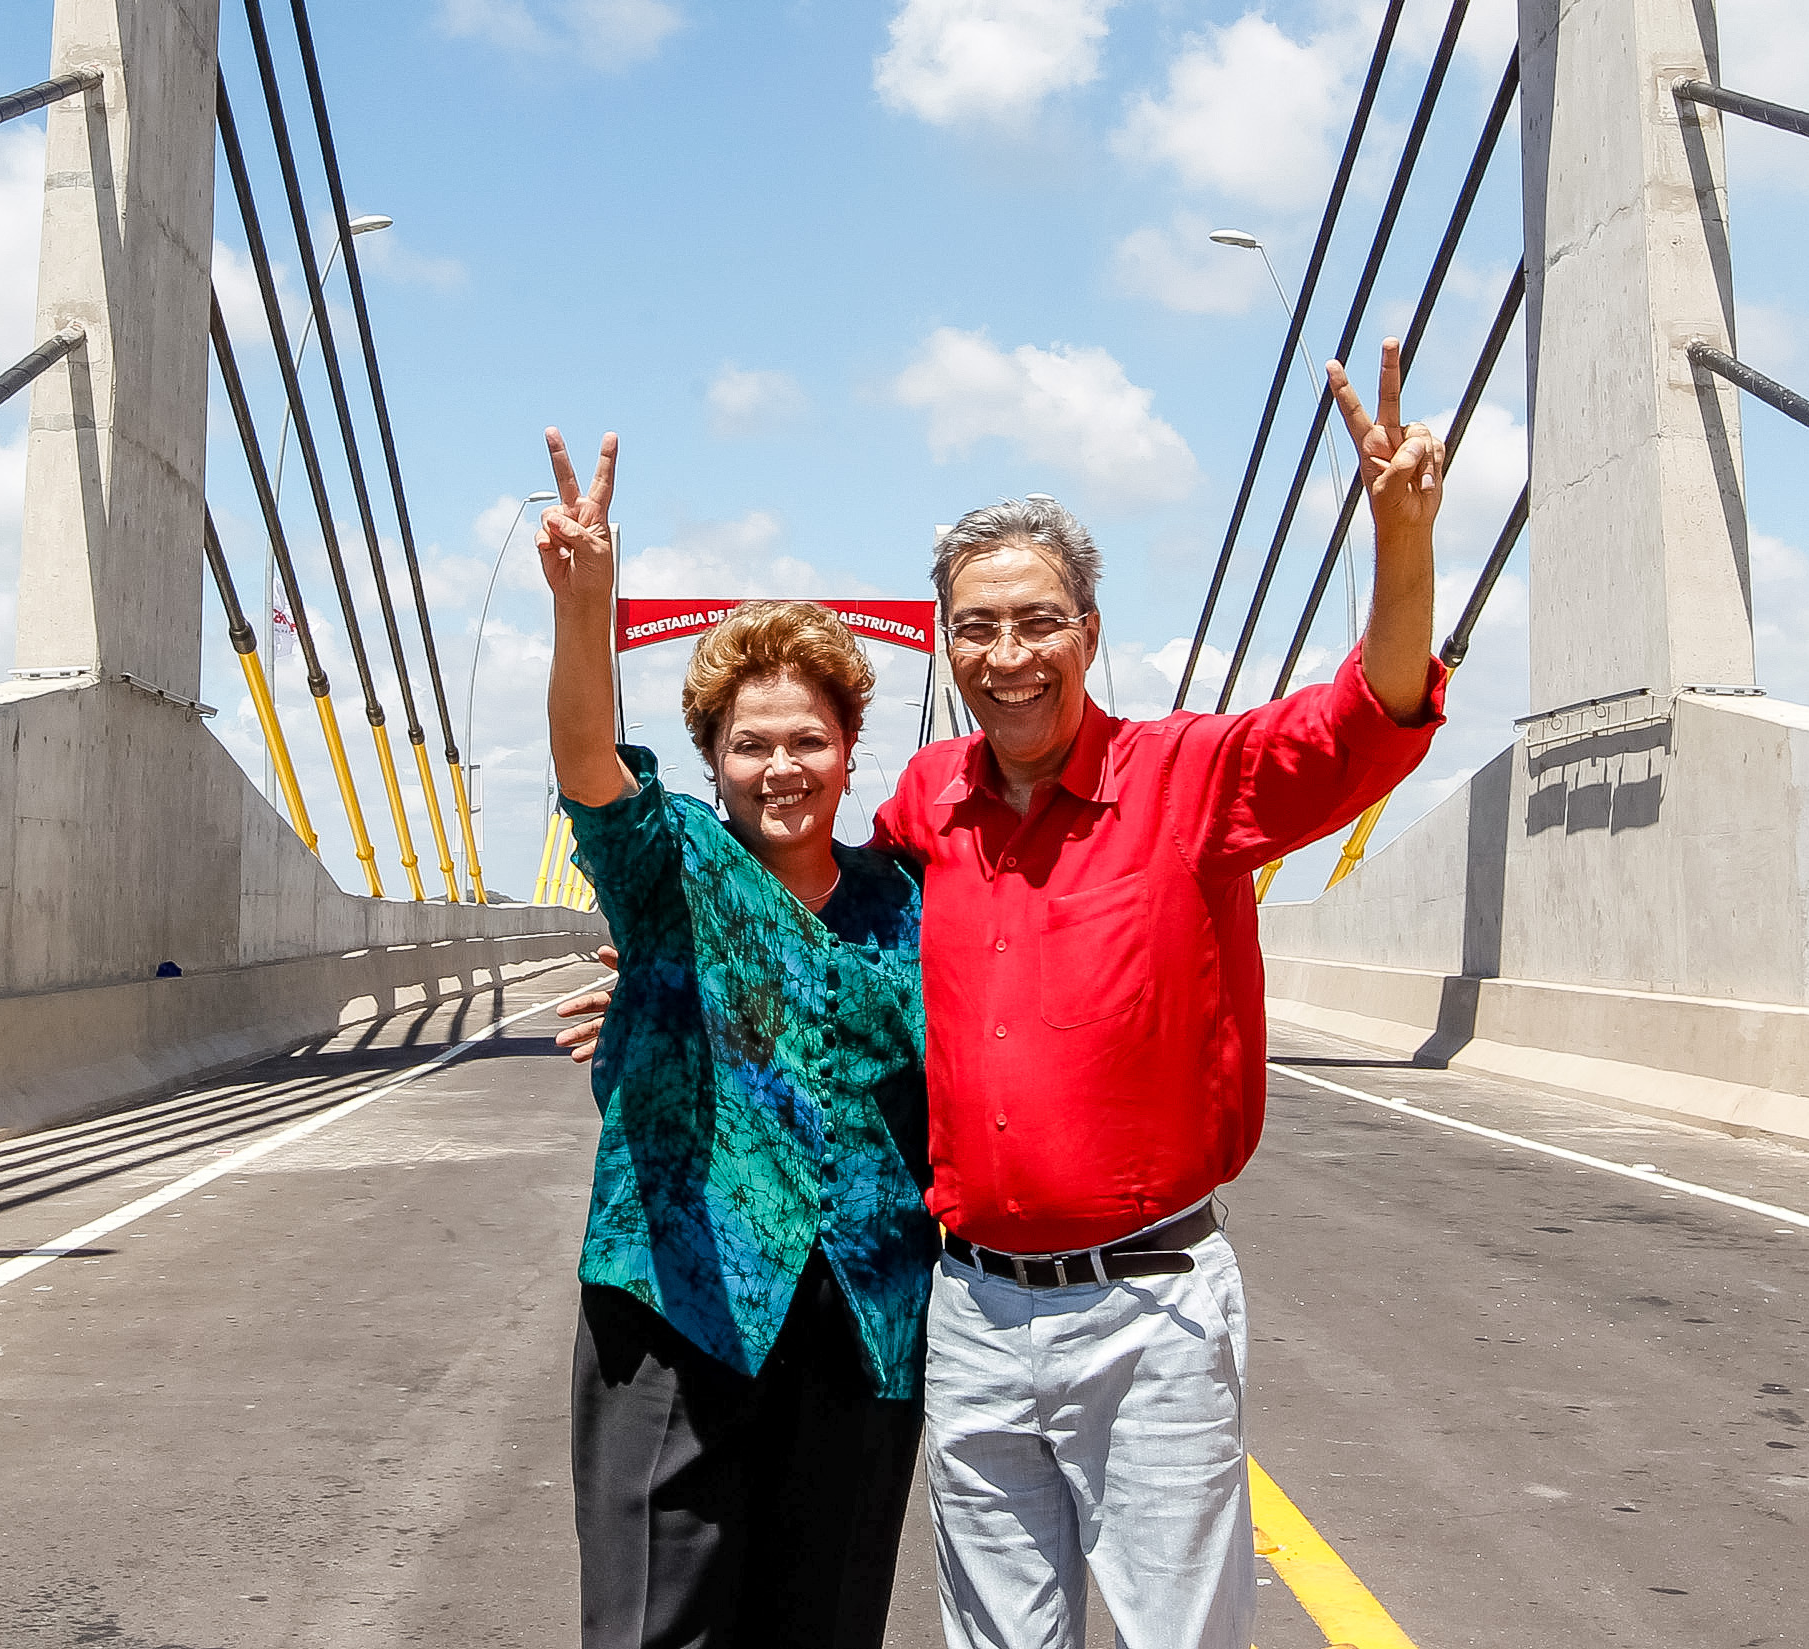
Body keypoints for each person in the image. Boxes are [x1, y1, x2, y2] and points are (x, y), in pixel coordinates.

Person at [560, 348, 1450, 1649]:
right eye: (975, 626)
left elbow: (1363, 720)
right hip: (966, 1309)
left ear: (1089, 632)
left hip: (1146, 1298)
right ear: (944, 644)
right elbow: (793, 929)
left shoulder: (1192, 779)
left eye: (1037, 621)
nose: (1008, 652)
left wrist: (1401, 543)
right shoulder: (929, 807)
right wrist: (667, 980)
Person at [538, 426, 938, 1649]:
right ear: (711, 759)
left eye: (806, 739)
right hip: (679, 1309)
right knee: (656, 1631)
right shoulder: (674, 870)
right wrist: (584, 606)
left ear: (850, 751)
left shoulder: (908, 900)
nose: (781, 766)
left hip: (860, 1321)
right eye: (751, 744)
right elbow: (588, 766)